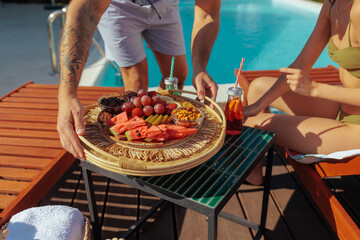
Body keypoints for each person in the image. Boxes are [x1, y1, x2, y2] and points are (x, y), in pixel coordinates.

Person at [57, 0, 221, 160]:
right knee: (136, 86)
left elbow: (208, 11)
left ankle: (160, 133)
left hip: (164, 5)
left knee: (176, 77)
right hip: (118, 6)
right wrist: (67, 96)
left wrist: (200, 68)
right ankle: (142, 156)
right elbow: (83, 11)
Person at [243, 0, 360, 185]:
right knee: (258, 88)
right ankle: (253, 171)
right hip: (342, 109)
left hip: (357, 129)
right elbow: (302, 63)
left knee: (252, 125)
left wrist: (315, 89)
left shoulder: (358, 11)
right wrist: (258, 105)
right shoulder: (332, 5)